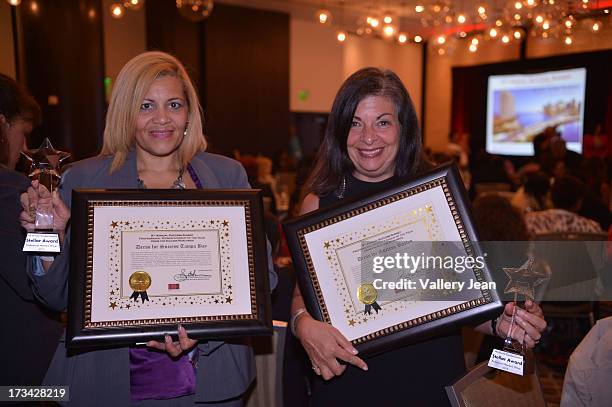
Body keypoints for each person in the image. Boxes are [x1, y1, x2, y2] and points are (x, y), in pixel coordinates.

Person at [19, 51, 276, 406]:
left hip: (210, 380)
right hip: (106, 382)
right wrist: (47, 232)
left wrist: (204, 331)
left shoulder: (226, 175)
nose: (162, 119)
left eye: (173, 104)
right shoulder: (83, 180)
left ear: (189, 113)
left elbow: (262, 279)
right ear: (126, 113)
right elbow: (53, 295)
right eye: (145, 106)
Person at [289, 67, 547, 406]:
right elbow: (301, 296)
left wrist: (502, 323)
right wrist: (302, 324)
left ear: (403, 128)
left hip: (428, 375)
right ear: (339, 131)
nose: (369, 137)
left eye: (382, 122)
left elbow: (461, 296)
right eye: (355, 122)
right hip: (350, 381)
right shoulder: (319, 202)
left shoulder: (438, 198)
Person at [0, 74, 62, 386]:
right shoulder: (9, 189)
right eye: (22, 134)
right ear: (1, 124)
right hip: (21, 378)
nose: (25, 148)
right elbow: (36, 280)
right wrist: (50, 228)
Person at [525, 175, 604, 236]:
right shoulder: (591, 228)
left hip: (535, 258)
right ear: (579, 203)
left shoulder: (530, 220)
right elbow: (598, 257)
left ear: (551, 197)